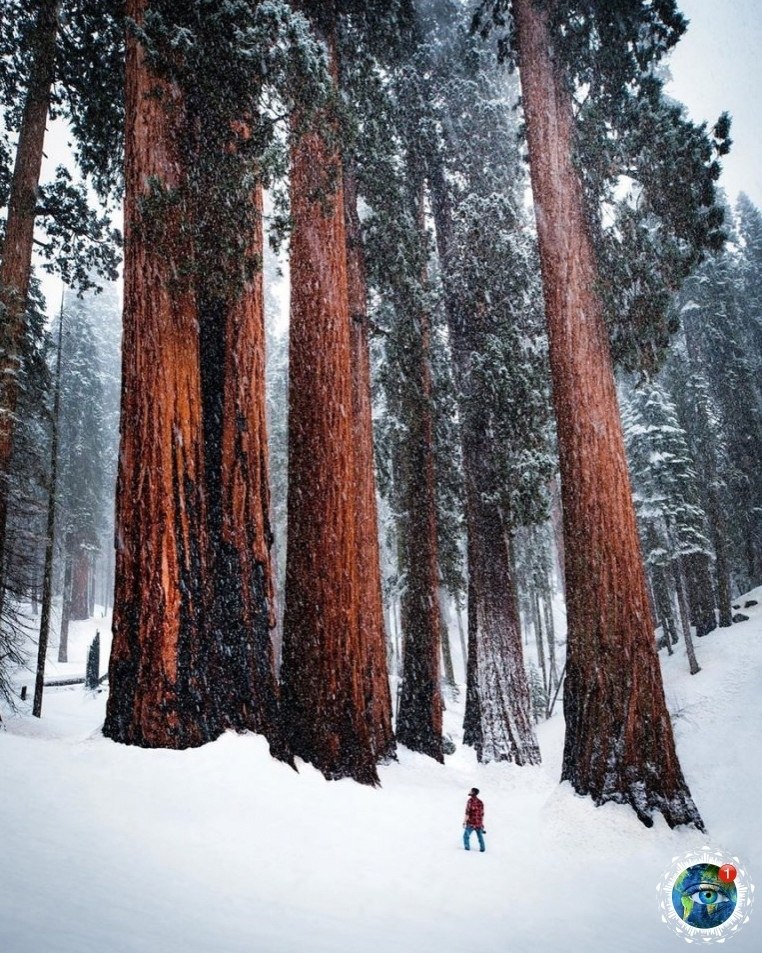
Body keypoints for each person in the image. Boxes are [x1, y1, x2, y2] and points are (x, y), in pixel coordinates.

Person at [463, 787, 485, 852]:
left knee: (465, 836)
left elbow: (467, 813)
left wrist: (464, 822)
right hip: (479, 823)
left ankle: (467, 848)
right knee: (480, 837)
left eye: (471, 791)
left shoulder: (470, 801)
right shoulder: (480, 802)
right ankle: (482, 849)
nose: (469, 791)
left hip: (471, 822)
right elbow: (482, 814)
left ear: (473, 792)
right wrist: (482, 824)